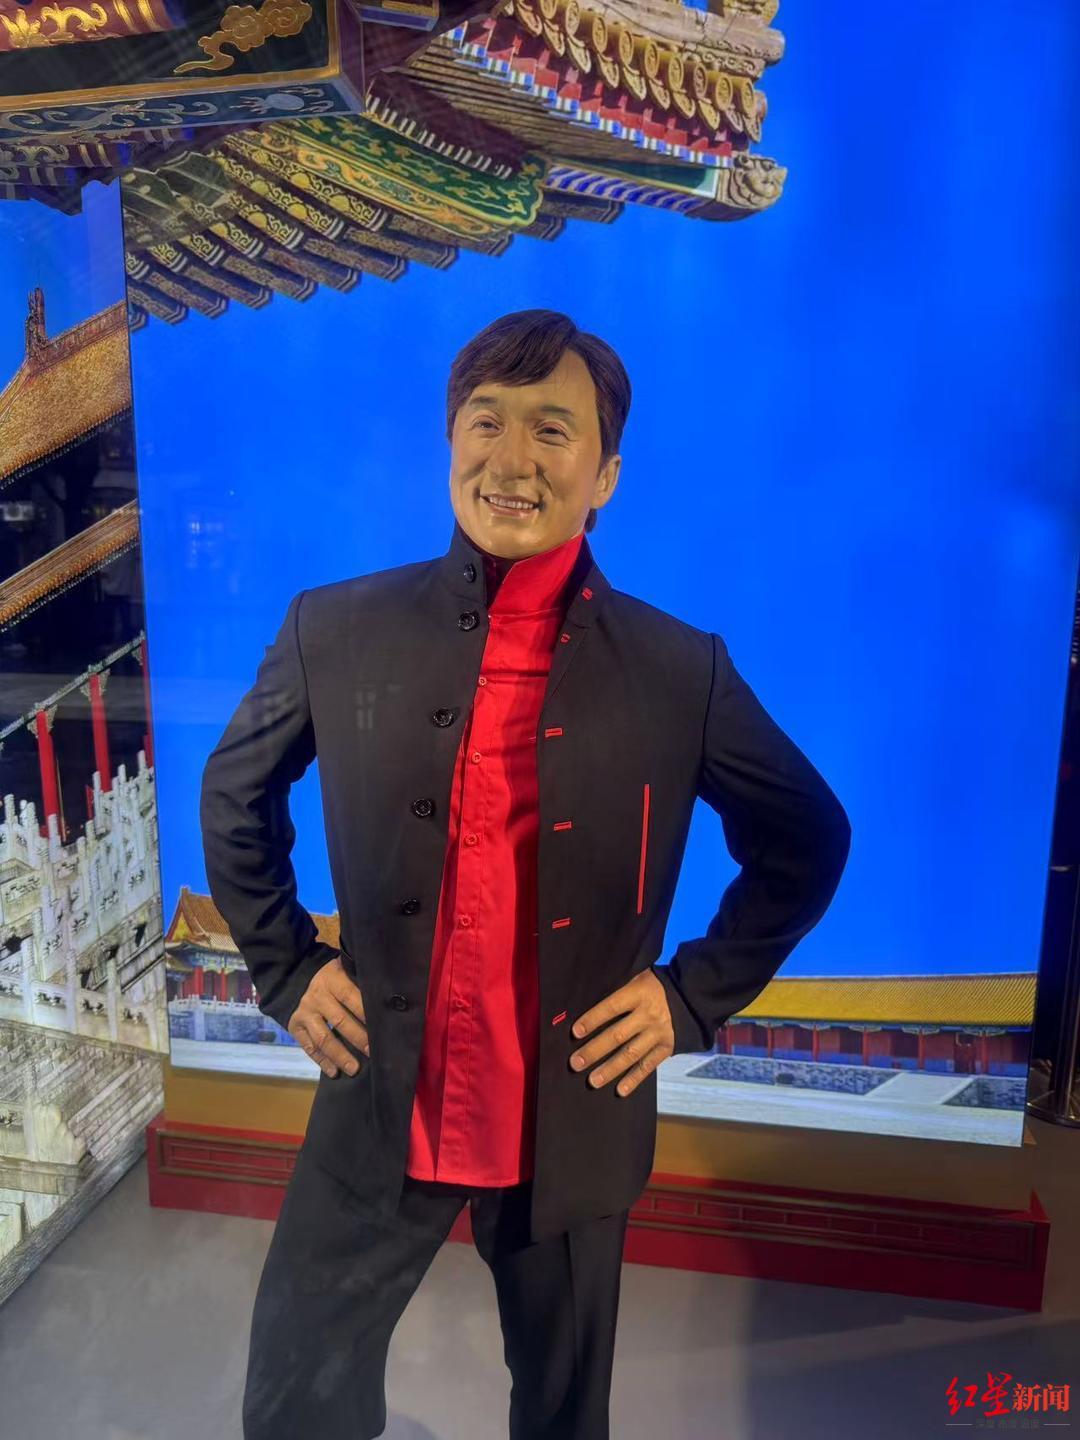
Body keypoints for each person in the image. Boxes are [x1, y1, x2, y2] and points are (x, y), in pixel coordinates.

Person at [200, 308, 852, 1440]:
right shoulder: (335, 630)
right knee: (296, 1400)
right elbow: (232, 794)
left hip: (572, 1115)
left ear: (606, 477)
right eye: (485, 421)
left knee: (561, 1415)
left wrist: (690, 998)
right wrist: (288, 970)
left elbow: (809, 837)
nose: (511, 460)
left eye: (553, 430)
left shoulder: (679, 670)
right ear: (449, 441)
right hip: (382, 1096)